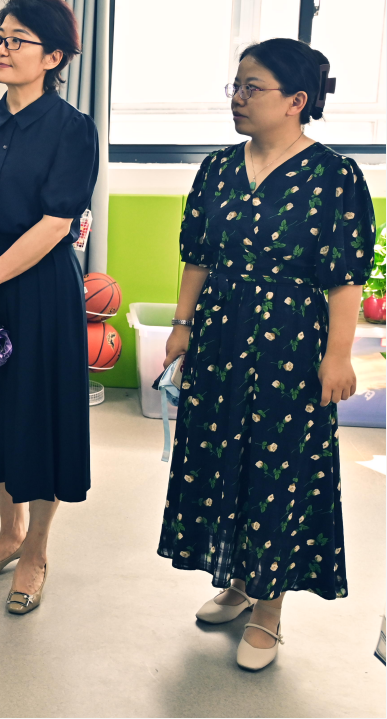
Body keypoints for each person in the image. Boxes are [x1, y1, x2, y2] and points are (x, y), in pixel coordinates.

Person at [159, 38, 374, 671]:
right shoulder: (217, 168)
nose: (238, 97)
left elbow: (345, 279)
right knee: (221, 457)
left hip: (292, 343)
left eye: (252, 88)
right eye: (236, 85)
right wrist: (181, 325)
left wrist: (339, 355)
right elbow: (197, 256)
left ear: (296, 100)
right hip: (220, 336)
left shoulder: (335, 176)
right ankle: (236, 581)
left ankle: (269, 608)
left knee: (277, 469)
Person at [0, 0, 98, 615]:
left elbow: (56, 224)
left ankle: (36, 549)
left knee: (40, 418)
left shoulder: (72, 129)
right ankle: (8, 532)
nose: (1, 49)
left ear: (53, 56)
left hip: (38, 288)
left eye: (17, 40)